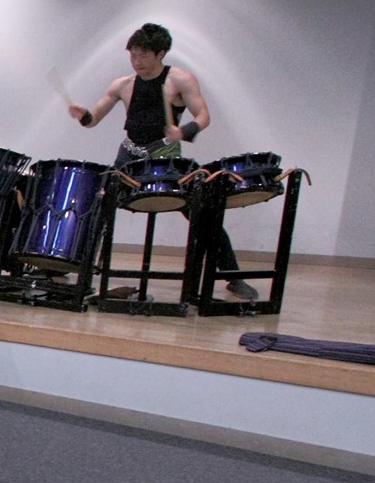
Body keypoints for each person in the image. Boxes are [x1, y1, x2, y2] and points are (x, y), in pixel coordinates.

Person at [67, 22, 257, 300]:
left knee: (201, 212)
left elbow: (203, 116)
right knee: (99, 205)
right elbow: (92, 120)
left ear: (161, 53)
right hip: (129, 155)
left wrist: (183, 132)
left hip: (164, 156)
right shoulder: (122, 85)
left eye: (143, 55)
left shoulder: (179, 80)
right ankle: (83, 272)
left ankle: (232, 275)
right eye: (132, 55)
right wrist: (83, 114)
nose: (137, 62)